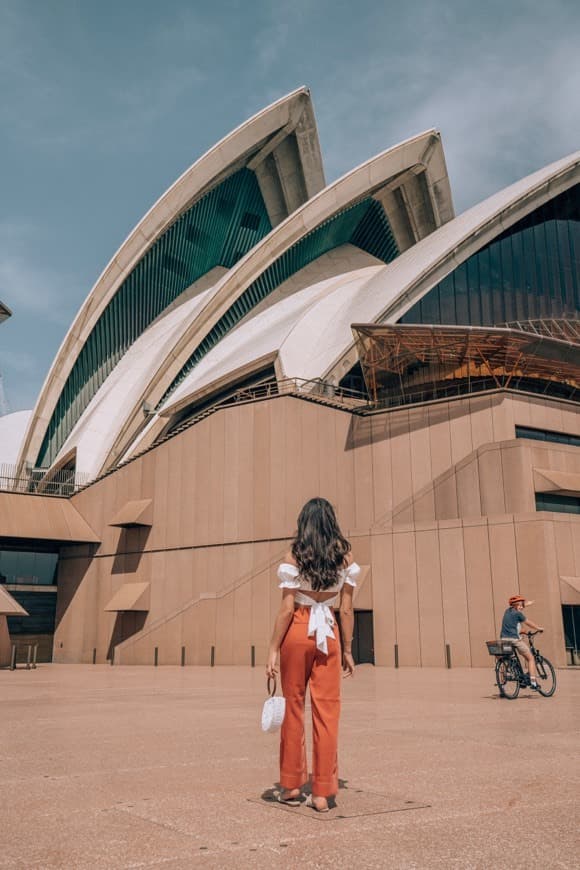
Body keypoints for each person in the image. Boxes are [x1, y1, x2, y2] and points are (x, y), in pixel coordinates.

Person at [266, 497, 359, 813]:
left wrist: (273, 650)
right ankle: (322, 792)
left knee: (293, 707)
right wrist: (347, 649)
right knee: (327, 711)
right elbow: (346, 609)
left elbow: (286, 608)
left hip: (298, 628)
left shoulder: (294, 555)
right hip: (329, 632)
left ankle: (291, 785)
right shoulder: (344, 558)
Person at [500, 595, 544, 689]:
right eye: (519, 605)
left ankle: (502, 686)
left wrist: (528, 604)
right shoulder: (518, 614)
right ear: (515, 605)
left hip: (503, 640)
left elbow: (520, 606)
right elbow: (528, 622)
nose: (521, 607)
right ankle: (533, 682)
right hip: (513, 639)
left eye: (522, 605)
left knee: (506, 659)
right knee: (530, 658)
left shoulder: (507, 611)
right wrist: (538, 628)